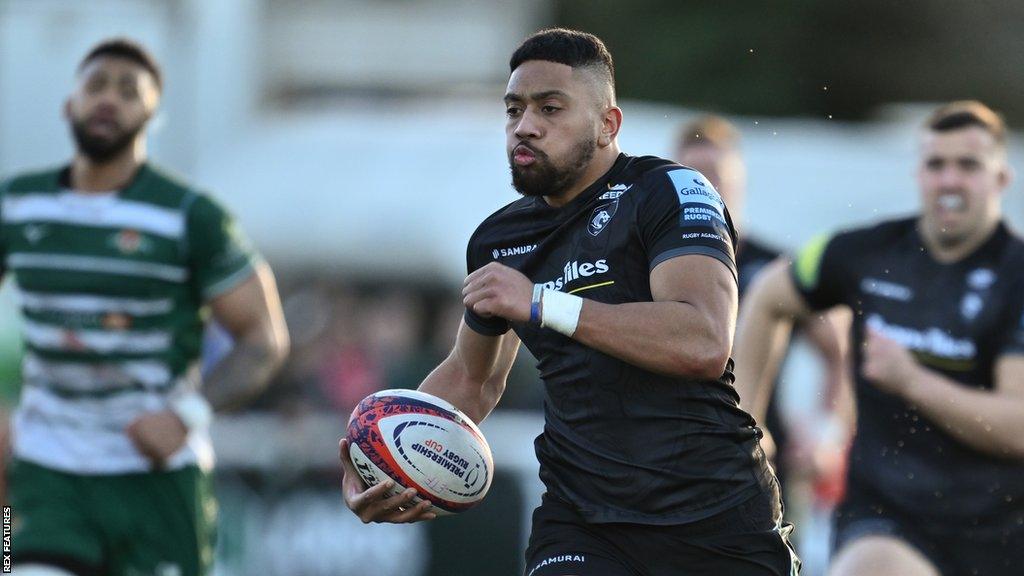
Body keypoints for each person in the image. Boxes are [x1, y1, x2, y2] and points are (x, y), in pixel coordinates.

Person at [340, 28, 798, 575]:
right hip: (582, 519)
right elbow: (472, 378)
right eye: (513, 110)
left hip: (714, 514)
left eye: (550, 108)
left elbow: (700, 341)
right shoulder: (499, 241)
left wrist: (541, 302)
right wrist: (380, 455)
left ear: (608, 124)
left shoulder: (670, 191)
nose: (525, 127)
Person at [0, 38, 290, 576]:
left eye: (128, 90)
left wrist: (188, 416)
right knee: (11, 559)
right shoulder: (16, 205)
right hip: (45, 476)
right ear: (70, 104)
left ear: (153, 113)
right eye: (96, 85)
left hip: (158, 478)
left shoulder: (192, 217)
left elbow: (264, 340)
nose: (109, 98)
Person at [732, 100, 1024, 576]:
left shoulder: (1017, 277)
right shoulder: (867, 251)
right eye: (936, 164)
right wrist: (746, 423)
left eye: (968, 166)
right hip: (888, 519)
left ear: (1000, 179)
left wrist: (912, 381)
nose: (949, 180)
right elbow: (767, 297)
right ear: (919, 174)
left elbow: (1017, 428)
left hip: (1001, 530)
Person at [673, 115, 850, 496]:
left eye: (715, 174)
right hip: (676, 459)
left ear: (740, 179)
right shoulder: (651, 268)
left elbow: (841, 351)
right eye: (693, 176)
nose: (706, 187)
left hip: (765, 458)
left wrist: (825, 436)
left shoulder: (774, 269)